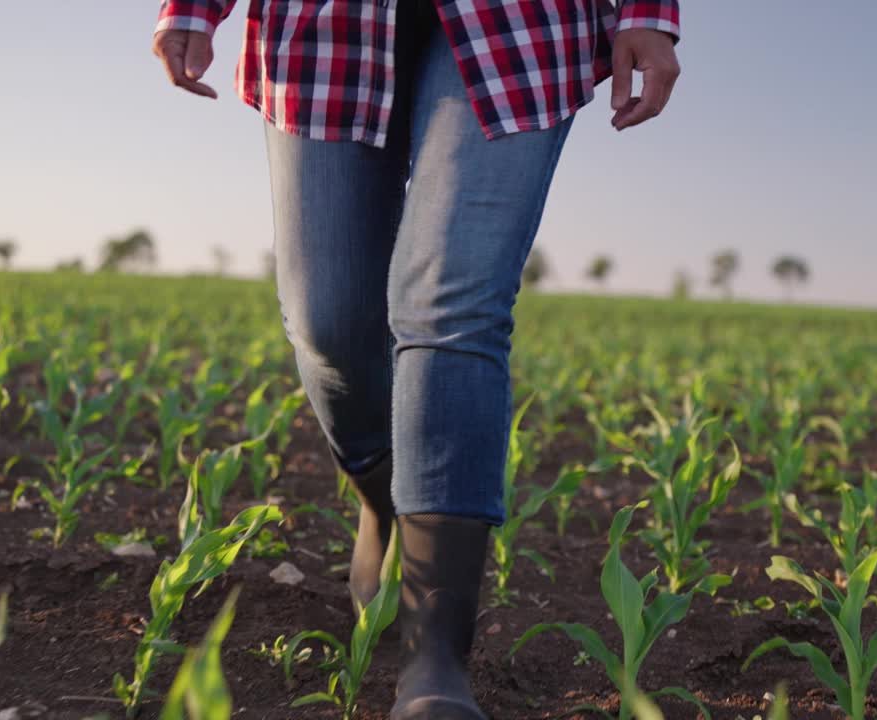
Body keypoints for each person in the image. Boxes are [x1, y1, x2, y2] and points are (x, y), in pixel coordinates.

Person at [151, 1, 681, 717]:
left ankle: (435, 661)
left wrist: (648, 12)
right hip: (322, 29)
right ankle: (384, 497)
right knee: (329, 319)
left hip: (519, 23)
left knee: (451, 306)